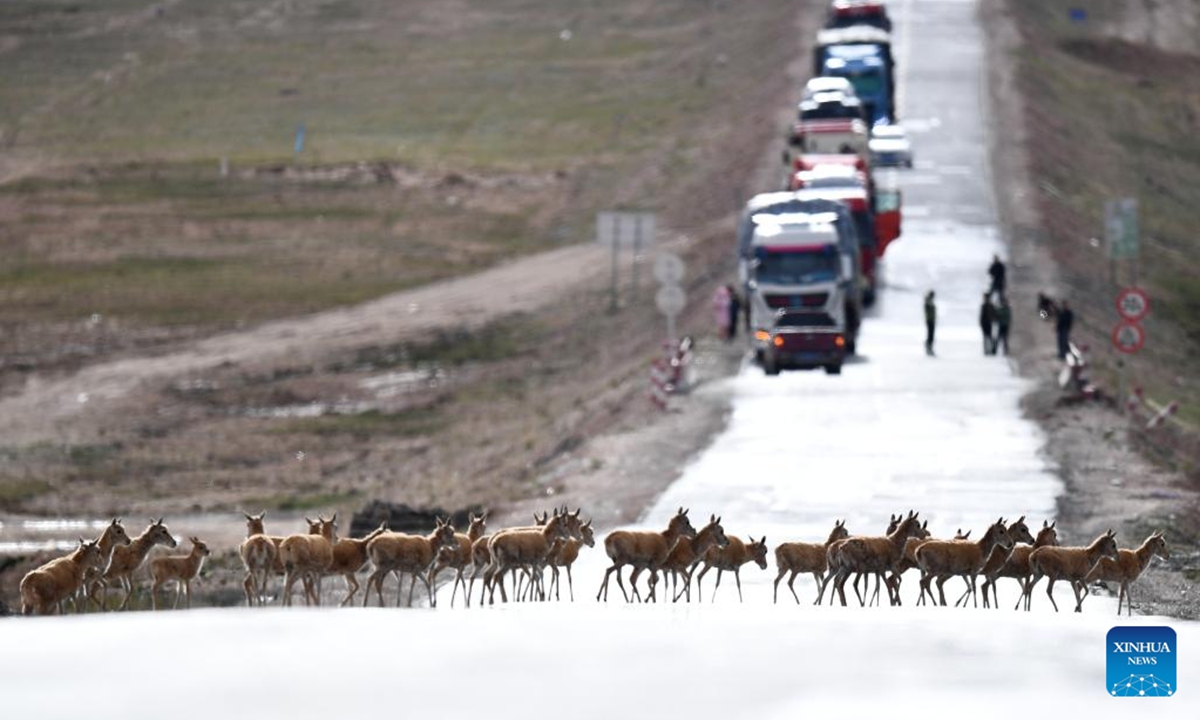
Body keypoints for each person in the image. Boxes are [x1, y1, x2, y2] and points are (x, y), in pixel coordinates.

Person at [924, 290, 937, 356]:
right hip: (929, 320)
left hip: (931, 320)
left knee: (931, 335)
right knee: (930, 335)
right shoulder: (928, 302)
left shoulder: (930, 302)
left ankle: (929, 347)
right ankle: (928, 347)